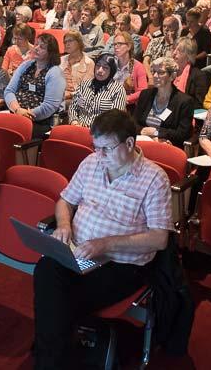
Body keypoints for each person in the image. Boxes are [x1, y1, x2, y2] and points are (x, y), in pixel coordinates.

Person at [33, 109, 172, 369]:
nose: (100, 155)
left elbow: (159, 238)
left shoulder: (154, 179)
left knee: (57, 299)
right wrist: (63, 224)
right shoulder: (91, 163)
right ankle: (59, 354)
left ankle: (49, 359)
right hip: (78, 252)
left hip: (121, 264)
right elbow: (65, 200)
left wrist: (105, 244)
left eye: (106, 149)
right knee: (45, 270)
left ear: (130, 143)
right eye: (96, 147)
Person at [4, 33, 67, 138]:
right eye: (36, 44)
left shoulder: (55, 72)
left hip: (40, 121)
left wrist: (26, 115)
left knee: (16, 131)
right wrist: (17, 110)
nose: (36, 48)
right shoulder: (26, 65)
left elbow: (50, 106)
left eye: (42, 47)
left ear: (50, 53)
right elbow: (9, 91)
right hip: (15, 113)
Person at [134, 56, 194, 147]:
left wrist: (157, 132)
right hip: (143, 143)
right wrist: (142, 131)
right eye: (154, 72)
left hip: (168, 145)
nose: (155, 76)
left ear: (172, 76)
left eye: (161, 72)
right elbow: (134, 122)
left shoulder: (184, 101)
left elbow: (183, 133)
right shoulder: (145, 95)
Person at [68, 53, 126, 127]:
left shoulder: (118, 90)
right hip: (79, 130)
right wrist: (74, 122)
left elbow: (115, 119)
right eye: (98, 66)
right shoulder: (83, 85)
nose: (100, 70)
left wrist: (96, 131)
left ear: (112, 71)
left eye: (105, 67)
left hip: (102, 134)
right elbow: (73, 108)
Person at [171, 37, 208, 110]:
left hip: (186, 114)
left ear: (189, 56)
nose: (174, 53)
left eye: (179, 51)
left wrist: (179, 105)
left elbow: (199, 103)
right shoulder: (169, 72)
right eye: (174, 49)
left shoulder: (199, 76)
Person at [112, 31, 148, 106]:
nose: (116, 46)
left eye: (120, 44)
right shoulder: (111, 64)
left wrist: (126, 98)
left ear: (129, 46)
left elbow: (143, 91)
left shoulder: (138, 66)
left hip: (128, 106)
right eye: (114, 44)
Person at [60, 30, 95, 102]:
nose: (67, 44)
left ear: (79, 42)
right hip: (59, 95)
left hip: (77, 98)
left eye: (70, 41)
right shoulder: (60, 60)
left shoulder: (89, 63)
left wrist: (70, 94)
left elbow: (86, 89)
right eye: (65, 42)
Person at [143, 15, 179, 80]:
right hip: (151, 75)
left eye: (169, 27)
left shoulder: (179, 44)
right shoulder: (154, 41)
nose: (166, 29)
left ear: (176, 29)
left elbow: (173, 64)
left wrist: (171, 42)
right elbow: (145, 61)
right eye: (164, 26)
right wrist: (150, 77)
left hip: (168, 79)